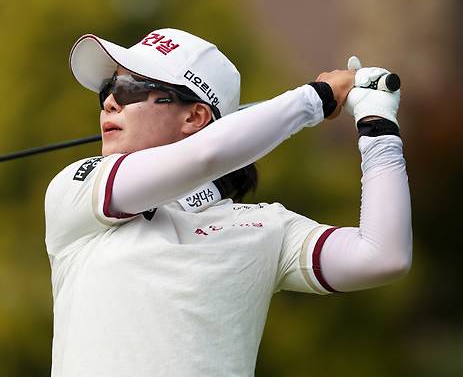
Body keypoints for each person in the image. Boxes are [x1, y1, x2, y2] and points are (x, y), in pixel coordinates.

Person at [44, 28, 412, 377]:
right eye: (108, 89)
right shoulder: (77, 189)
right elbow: (206, 155)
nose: (109, 102)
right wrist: (316, 97)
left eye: (129, 88)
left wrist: (379, 128)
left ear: (194, 116)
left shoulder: (265, 227)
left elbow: (383, 256)